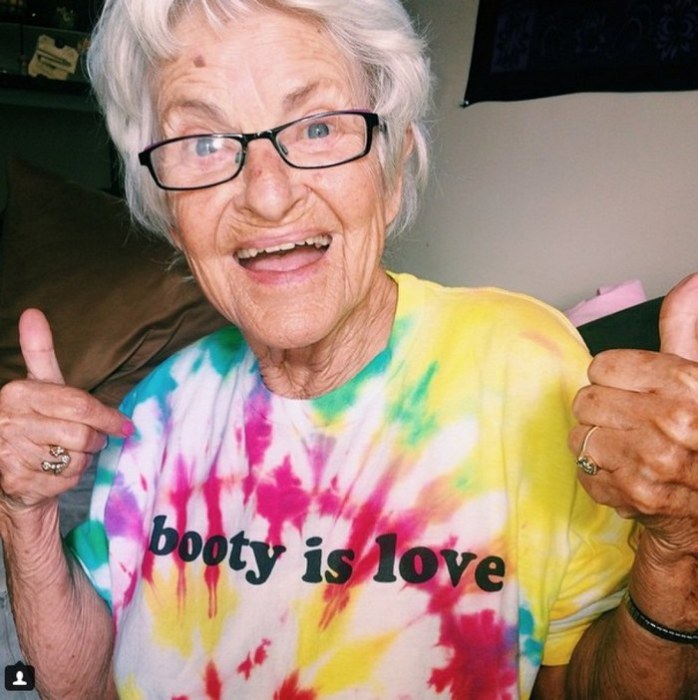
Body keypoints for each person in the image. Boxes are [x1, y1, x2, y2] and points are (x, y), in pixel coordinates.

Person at [0, 1, 695, 697]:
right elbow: (84, 683)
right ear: (172, 215)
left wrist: (675, 549)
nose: (268, 196)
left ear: (393, 172)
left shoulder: (528, 368)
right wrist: (24, 515)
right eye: (204, 143)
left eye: (318, 126)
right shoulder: (158, 409)